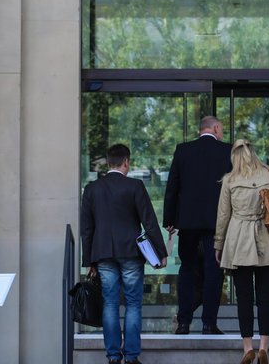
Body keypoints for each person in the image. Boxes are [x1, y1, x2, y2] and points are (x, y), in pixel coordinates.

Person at [81, 144, 169, 364]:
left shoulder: (92, 189)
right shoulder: (135, 186)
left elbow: (87, 229)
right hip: (131, 253)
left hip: (103, 254)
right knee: (132, 304)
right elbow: (149, 222)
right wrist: (160, 252)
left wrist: (88, 260)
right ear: (126, 162)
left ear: (109, 163)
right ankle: (131, 357)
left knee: (109, 303)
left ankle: (112, 356)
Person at [214, 140, 269, 364]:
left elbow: (223, 215)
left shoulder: (230, 180)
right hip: (268, 237)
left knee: (244, 298)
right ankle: (264, 347)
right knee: (266, 297)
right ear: (253, 154)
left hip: (239, 241)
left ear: (234, 157)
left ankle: (248, 347)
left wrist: (219, 244)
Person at [163, 116, 232, 335]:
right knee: (214, 271)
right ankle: (209, 323)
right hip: (217, 223)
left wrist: (170, 219)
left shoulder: (183, 150)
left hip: (188, 223)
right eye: (220, 129)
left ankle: (183, 322)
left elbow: (172, 186)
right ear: (216, 128)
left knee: (187, 269)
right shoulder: (227, 151)